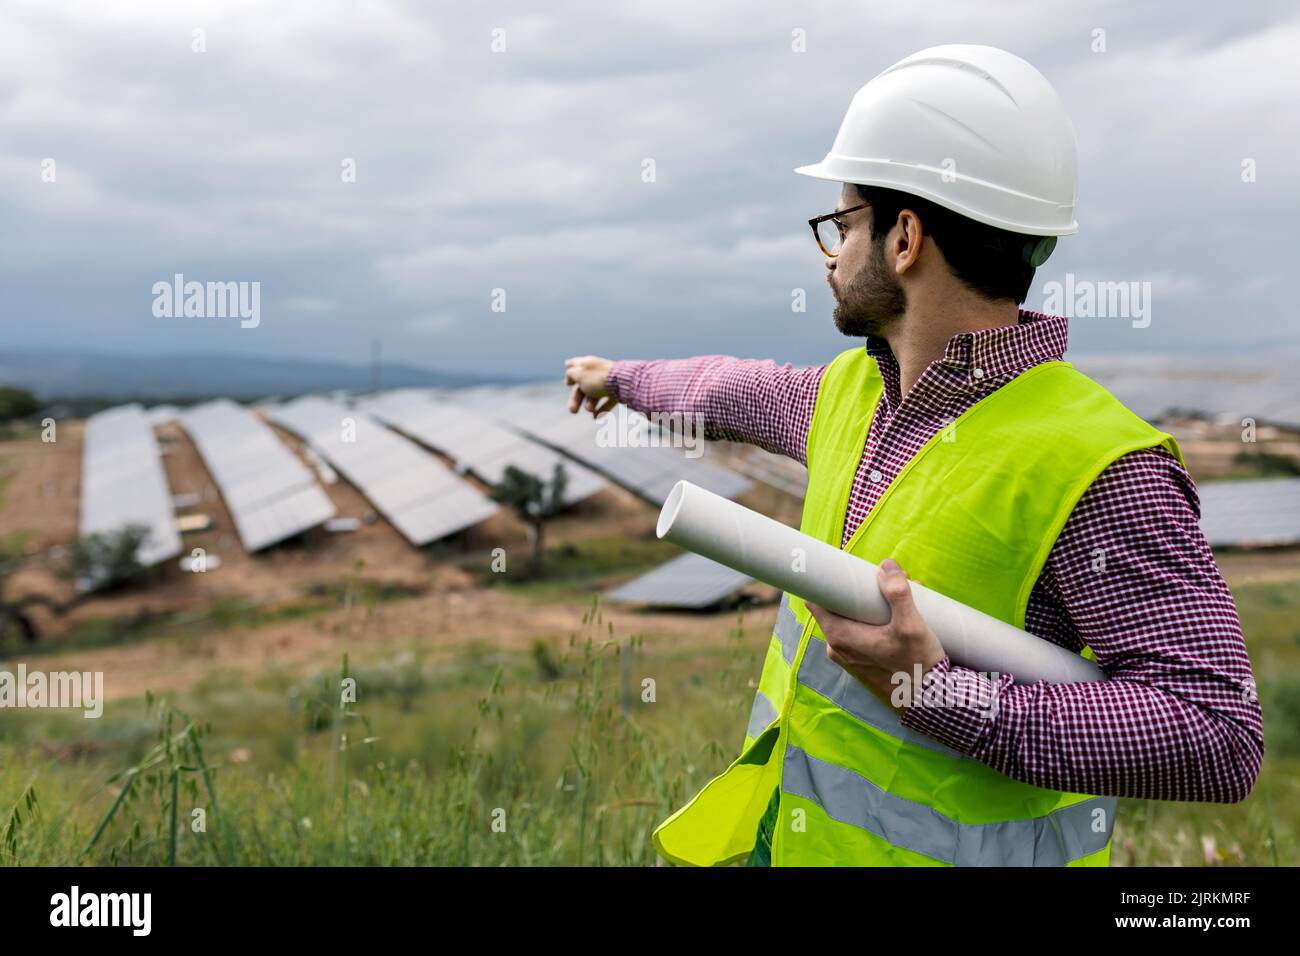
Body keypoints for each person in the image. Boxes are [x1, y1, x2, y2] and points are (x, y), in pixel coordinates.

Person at [563, 45, 1262, 867]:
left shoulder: (1100, 466)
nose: (830, 253)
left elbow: (1218, 734)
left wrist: (936, 693)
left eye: (843, 224)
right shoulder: (850, 397)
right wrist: (622, 379)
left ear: (904, 237)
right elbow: (731, 390)